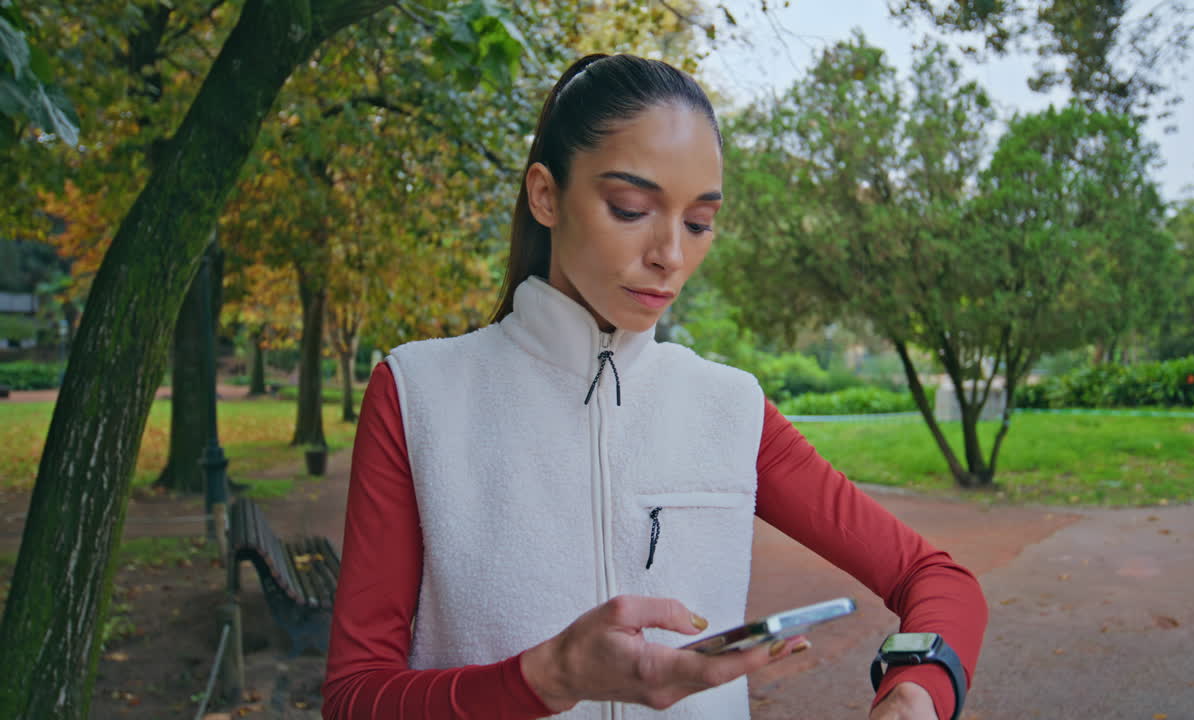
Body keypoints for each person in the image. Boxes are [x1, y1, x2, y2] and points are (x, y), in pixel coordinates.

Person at [321, 53, 987, 720]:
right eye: (631, 207)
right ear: (545, 194)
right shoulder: (418, 395)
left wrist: (913, 694)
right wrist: (545, 677)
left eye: (699, 222)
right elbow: (354, 697)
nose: (671, 254)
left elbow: (936, 579)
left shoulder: (730, 409)